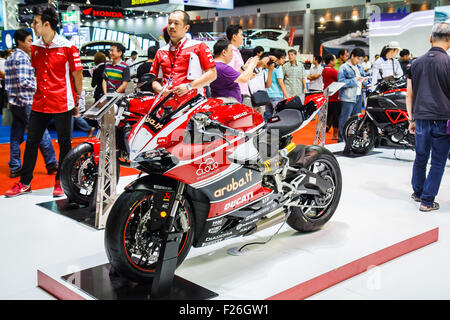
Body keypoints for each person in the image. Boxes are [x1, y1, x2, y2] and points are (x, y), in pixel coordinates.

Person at [5, 6, 83, 198]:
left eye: (35, 22)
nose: (33, 26)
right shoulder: (36, 48)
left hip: (62, 101)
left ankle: (60, 181)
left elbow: (77, 74)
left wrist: (77, 97)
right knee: (31, 142)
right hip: (40, 101)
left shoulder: (67, 46)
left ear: (46, 24)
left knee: (64, 143)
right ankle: (24, 183)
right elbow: (37, 72)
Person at [406, 22, 450, 212]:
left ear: (431, 38)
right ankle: (427, 201)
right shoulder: (448, 63)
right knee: (438, 162)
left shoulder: (415, 63)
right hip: (443, 118)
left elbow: (409, 94)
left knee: (421, 157)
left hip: (421, 117)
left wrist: (411, 119)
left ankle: (418, 192)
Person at [4, 28, 58, 178]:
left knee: (16, 136)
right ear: (20, 42)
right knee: (41, 132)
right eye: (28, 40)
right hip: (27, 101)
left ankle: (15, 166)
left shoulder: (9, 58)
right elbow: (23, 81)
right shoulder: (21, 58)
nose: (30, 43)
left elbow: (9, 82)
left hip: (14, 103)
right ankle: (51, 163)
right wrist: (39, 86)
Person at [150, 10, 216, 100]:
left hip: (193, 103)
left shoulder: (199, 46)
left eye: (176, 23)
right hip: (166, 104)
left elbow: (212, 74)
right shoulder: (161, 51)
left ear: (186, 28)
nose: (172, 26)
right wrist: (160, 89)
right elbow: (155, 80)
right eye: (170, 23)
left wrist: (189, 86)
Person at [210, 38, 258, 103]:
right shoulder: (223, 68)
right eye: (231, 51)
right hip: (228, 105)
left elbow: (232, 78)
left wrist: (243, 68)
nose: (232, 54)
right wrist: (252, 64)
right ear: (224, 52)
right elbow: (244, 79)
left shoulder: (216, 66)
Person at [337, 47, 366, 142]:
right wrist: (354, 80)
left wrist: (365, 81)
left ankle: (354, 137)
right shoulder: (343, 68)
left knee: (357, 119)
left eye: (361, 59)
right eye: (358, 58)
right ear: (352, 56)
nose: (359, 61)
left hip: (358, 96)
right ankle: (341, 139)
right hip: (347, 97)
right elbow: (341, 82)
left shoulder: (360, 67)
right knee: (344, 119)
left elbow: (364, 79)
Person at [226, 24, 253, 107]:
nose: (243, 37)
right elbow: (230, 74)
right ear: (234, 36)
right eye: (241, 35)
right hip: (236, 93)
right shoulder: (231, 52)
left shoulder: (236, 51)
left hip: (240, 92)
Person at [265, 49, 289, 122]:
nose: (284, 60)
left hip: (267, 95)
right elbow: (280, 83)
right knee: (276, 119)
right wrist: (287, 96)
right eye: (284, 58)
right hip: (277, 96)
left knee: (267, 118)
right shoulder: (278, 68)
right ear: (279, 58)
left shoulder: (268, 67)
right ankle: (275, 134)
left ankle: (266, 133)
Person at [322, 53, 341, 140]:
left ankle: (328, 126)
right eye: (334, 59)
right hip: (334, 95)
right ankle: (335, 134)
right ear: (331, 61)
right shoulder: (332, 71)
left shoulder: (324, 70)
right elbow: (341, 78)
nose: (335, 61)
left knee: (330, 114)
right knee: (335, 115)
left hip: (327, 94)